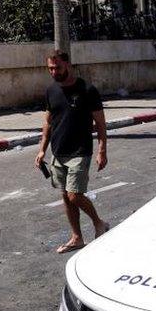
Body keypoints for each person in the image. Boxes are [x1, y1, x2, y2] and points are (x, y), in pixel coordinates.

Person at [35, 49, 109, 254]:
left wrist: (102, 149)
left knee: (74, 195)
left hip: (80, 151)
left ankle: (99, 223)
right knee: (66, 197)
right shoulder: (51, 91)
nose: (53, 72)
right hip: (58, 152)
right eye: (50, 68)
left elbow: (100, 123)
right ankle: (77, 237)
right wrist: (42, 150)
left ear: (68, 65)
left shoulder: (87, 90)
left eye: (57, 67)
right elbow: (48, 123)